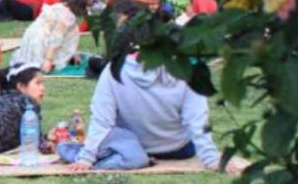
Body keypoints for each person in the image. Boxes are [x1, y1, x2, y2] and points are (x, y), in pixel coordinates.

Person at [63, 53, 242, 173]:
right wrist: (211, 158)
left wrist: (86, 158)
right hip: (178, 149)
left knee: (107, 140)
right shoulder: (189, 71)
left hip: (129, 147)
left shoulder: (113, 70)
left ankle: (73, 151)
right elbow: (197, 120)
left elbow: (102, 120)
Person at [12, 0, 95, 73]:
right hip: (41, 44)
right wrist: (48, 60)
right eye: (87, 6)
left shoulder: (61, 6)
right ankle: (48, 60)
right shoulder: (67, 17)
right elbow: (55, 40)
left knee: (73, 30)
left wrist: (73, 52)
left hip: (31, 40)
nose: (88, 10)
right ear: (80, 4)